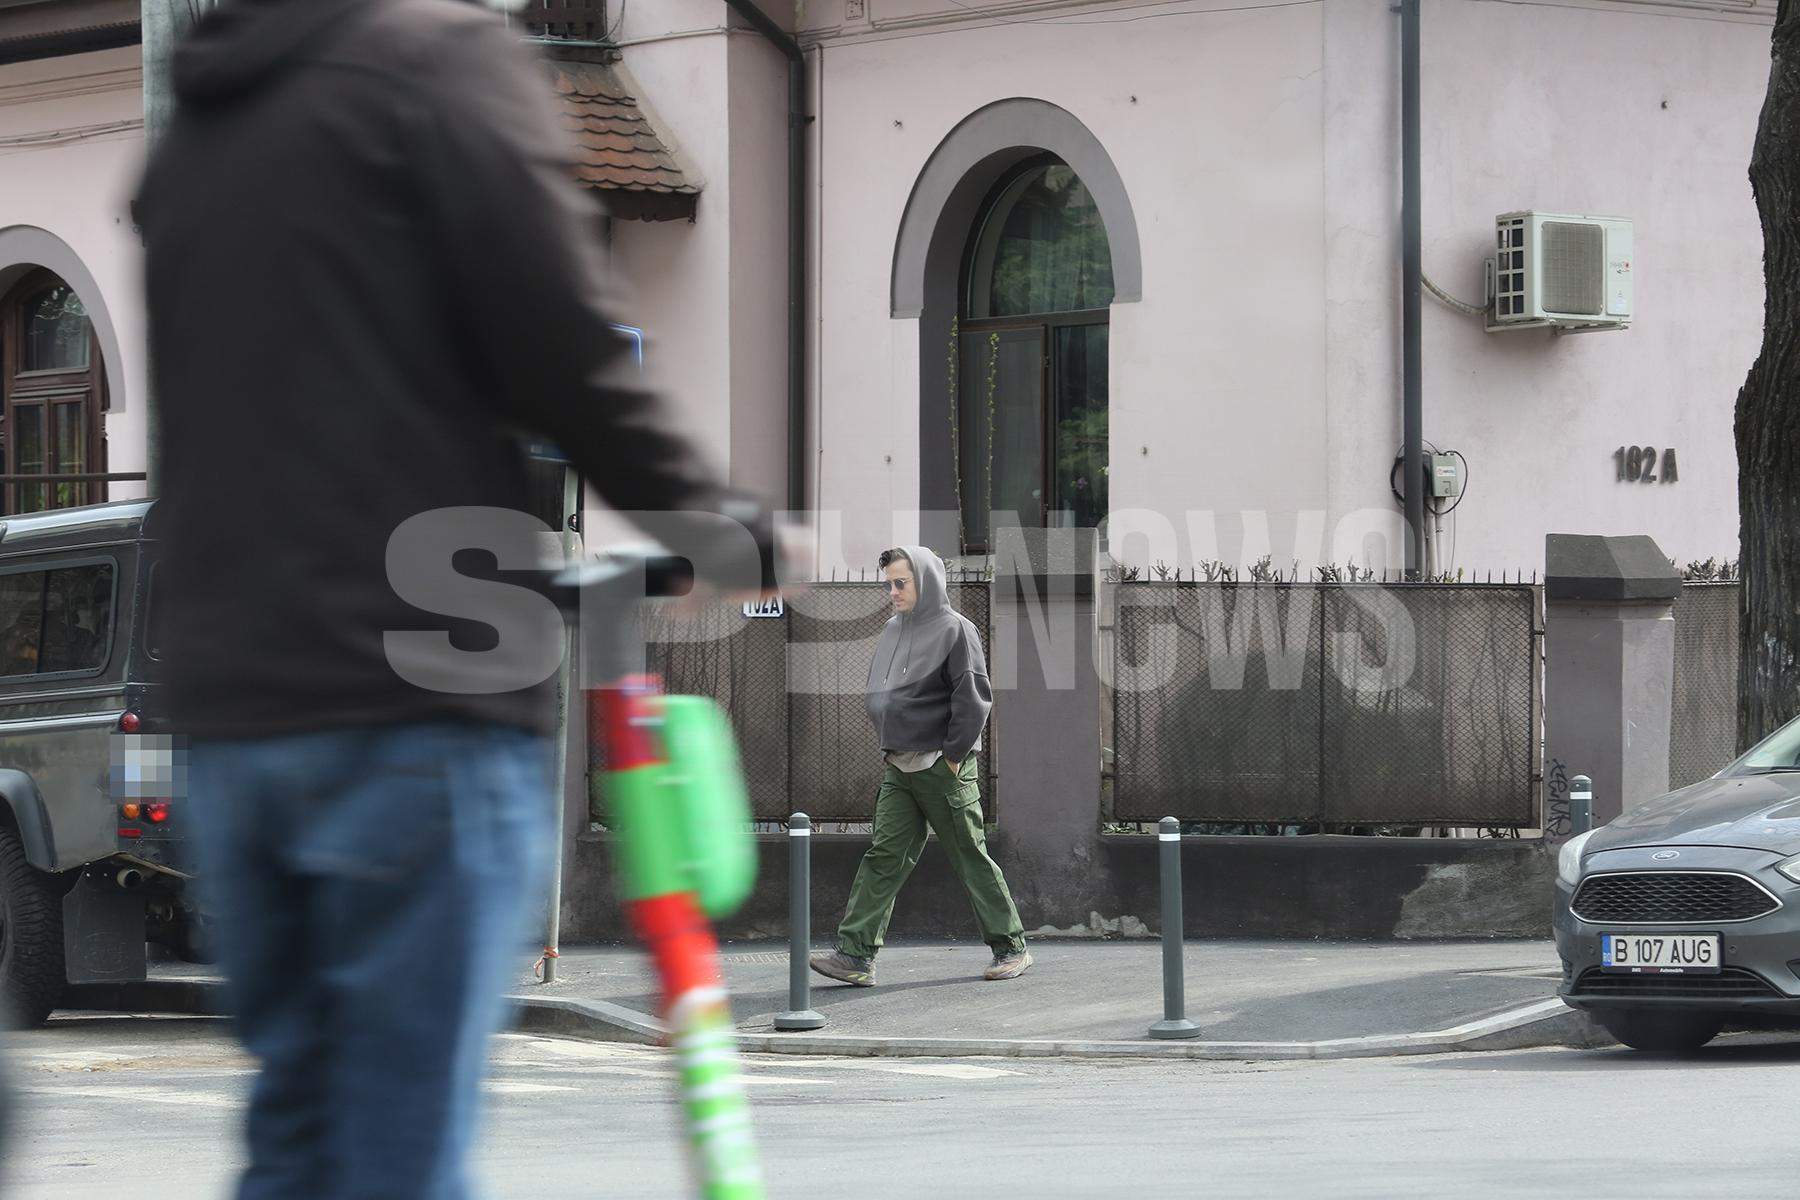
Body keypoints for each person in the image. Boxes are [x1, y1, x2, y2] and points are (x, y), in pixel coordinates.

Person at [134, 2, 773, 1196]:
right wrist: (712, 526)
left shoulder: (194, 131)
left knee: (302, 1136)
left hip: (232, 726)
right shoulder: (435, 65)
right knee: (397, 1154)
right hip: (411, 704)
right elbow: (563, 342)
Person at [810, 546, 1030, 987]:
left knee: (969, 855)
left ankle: (1011, 947)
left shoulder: (956, 629)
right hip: (899, 764)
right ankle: (855, 956)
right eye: (888, 583)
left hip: (940, 767)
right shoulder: (894, 628)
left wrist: (950, 757)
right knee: (884, 856)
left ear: (925, 581)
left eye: (900, 583)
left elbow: (974, 699)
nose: (892, 592)